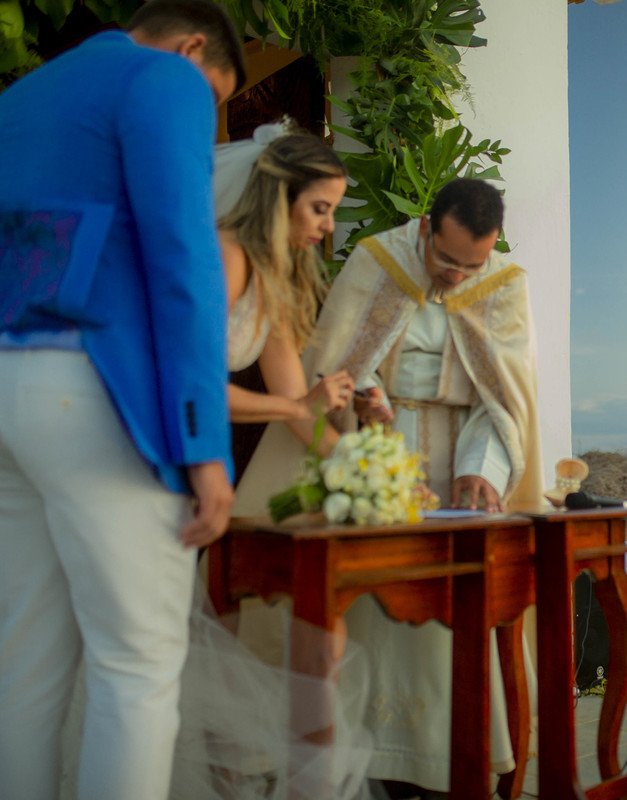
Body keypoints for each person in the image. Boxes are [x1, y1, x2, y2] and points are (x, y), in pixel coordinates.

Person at [0, 1, 245, 797]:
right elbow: (184, 258)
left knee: (22, 667)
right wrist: (205, 444)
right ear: (193, 48)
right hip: (97, 391)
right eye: (216, 98)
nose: (206, 119)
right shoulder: (164, 78)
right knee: (136, 665)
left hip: (8, 383)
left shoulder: (20, 97)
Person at [234, 177, 543, 795]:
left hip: (460, 458)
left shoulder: (504, 283)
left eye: (471, 265)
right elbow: (341, 358)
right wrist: (366, 400)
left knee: (455, 619)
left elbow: (505, 399)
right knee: (366, 610)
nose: (457, 277)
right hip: (375, 450)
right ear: (427, 228)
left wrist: (481, 468)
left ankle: (443, 761)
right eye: (447, 261)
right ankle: (360, 757)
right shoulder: (379, 261)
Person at [216, 124, 356, 452]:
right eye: (320, 209)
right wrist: (300, 406)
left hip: (194, 429)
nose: (329, 225)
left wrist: (371, 470)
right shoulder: (228, 258)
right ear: (280, 197)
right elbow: (193, 386)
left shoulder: (271, 277)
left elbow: (296, 404)